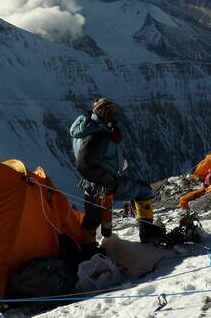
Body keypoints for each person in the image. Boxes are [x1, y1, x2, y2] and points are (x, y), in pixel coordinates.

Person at [70, 97, 166, 256]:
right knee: (143, 191)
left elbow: (90, 160)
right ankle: (148, 232)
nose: (115, 117)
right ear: (105, 114)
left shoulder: (86, 129)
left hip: (91, 184)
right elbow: (84, 163)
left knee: (93, 218)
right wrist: (109, 180)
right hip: (105, 183)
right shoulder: (98, 135)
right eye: (111, 113)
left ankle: (88, 250)